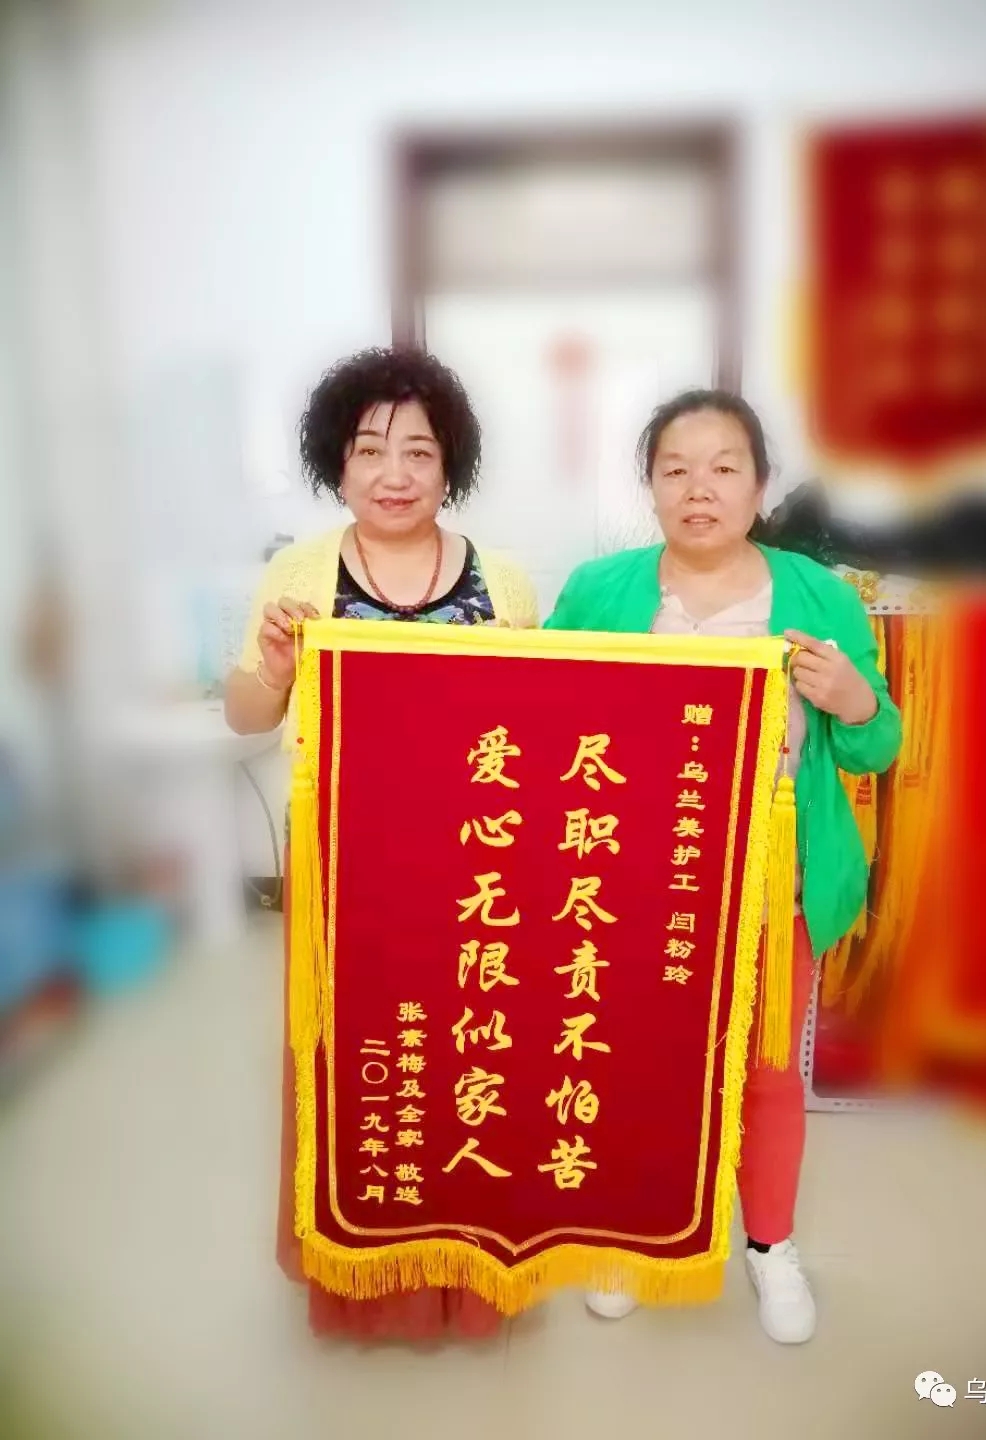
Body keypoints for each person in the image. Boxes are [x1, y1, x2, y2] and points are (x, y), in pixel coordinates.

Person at [544, 389, 901, 1344]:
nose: (698, 489)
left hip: (773, 883)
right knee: (632, 1060)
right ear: (651, 486)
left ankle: (770, 1245)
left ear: (760, 486)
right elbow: (540, 722)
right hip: (627, 885)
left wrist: (854, 700)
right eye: (676, 470)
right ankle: (633, 1231)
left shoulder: (819, 596)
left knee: (767, 1072)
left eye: (723, 468)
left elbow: (876, 747)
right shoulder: (600, 591)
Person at [225, 347, 538, 1342]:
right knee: (361, 1071)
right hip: (344, 871)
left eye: (419, 451)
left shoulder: (505, 582)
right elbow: (244, 717)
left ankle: (469, 1279)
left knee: (471, 1067)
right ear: (338, 461)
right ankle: (365, 1283)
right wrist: (276, 668)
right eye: (370, 450)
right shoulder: (297, 574)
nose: (394, 473)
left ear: (452, 465)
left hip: (476, 872)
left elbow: (543, 732)